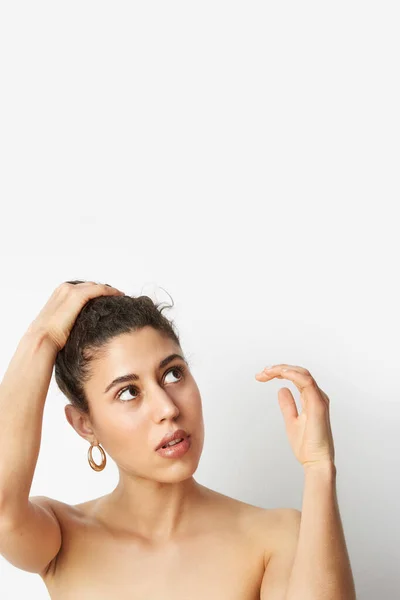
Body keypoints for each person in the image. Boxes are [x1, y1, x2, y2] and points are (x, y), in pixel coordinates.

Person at [0, 281, 318, 598]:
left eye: (173, 374)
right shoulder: (61, 537)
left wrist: (319, 467)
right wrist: (42, 338)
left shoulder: (274, 536)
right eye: (128, 392)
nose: (168, 408)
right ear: (85, 425)